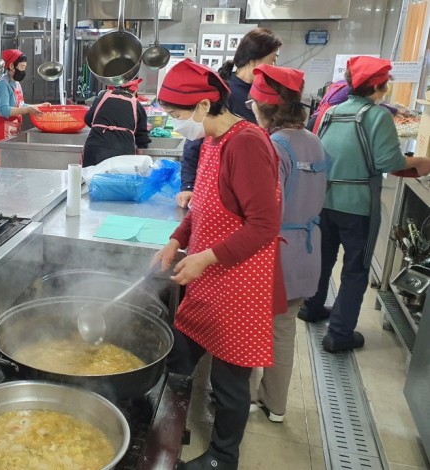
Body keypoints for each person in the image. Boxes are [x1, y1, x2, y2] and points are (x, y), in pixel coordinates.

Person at [152, 59, 285, 470]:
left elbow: (264, 225)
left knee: (229, 384)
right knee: (178, 356)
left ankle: (222, 459)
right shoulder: (213, 140)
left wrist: (206, 257)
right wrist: (177, 240)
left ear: (204, 106)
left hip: (240, 284)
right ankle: (160, 432)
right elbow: (203, 205)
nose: (175, 123)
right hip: (209, 279)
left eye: (176, 114)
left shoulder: (247, 144)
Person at [297, 56, 430, 352]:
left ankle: (311, 307)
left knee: (323, 258)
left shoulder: (330, 112)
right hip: (359, 206)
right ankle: (339, 334)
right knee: (356, 269)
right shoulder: (377, 116)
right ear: (379, 86)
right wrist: (420, 161)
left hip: (324, 201)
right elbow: (388, 161)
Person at [246, 64, 328, 423]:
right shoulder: (314, 141)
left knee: (253, 326)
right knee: (283, 330)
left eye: (252, 103)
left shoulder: (274, 147)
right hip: (306, 250)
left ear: (264, 108)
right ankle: (275, 404)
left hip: (274, 252)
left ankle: (248, 397)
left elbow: (265, 211)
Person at [176, 28, 283, 209]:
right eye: (272, 60)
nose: (274, 66)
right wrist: (188, 186)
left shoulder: (266, 94)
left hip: (251, 184)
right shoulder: (224, 93)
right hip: (219, 188)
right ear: (254, 60)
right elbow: (195, 142)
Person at [0, 49, 48, 166]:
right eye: (21, 67)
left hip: (13, 129)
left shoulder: (16, 83)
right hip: (1, 130)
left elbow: (20, 105)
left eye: (24, 68)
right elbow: (4, 110)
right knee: (1, 164)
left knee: (12, 163)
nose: (23, 71)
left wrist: (39, 106)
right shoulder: (3, 84)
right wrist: (28, 110)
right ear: (11, 66)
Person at [81, 78, 151, 167]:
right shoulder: (137, 105)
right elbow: (142, 137)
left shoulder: (102, 97)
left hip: (95, 148)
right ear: (134, 91)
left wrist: (101, 127)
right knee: (118, 176)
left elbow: (88, 119)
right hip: (122, 151)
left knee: (90, 175)